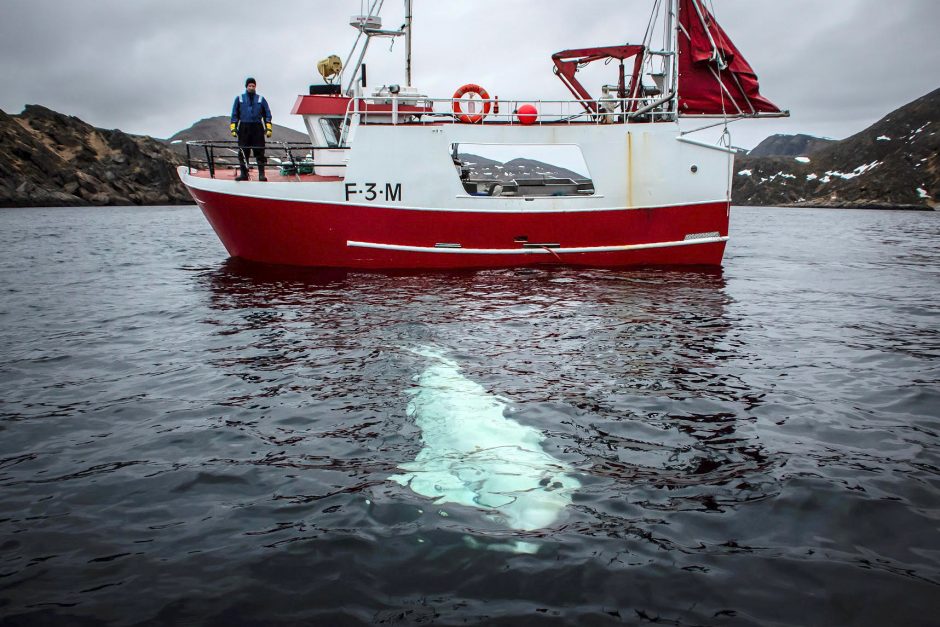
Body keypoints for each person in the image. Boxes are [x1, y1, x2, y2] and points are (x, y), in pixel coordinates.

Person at [230, 77, 273, 181]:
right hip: (244, 127)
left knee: (259, 151)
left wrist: (268, 128)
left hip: (257, 127)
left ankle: (261, 175)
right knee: (243, 152)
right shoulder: (239, 98)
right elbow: (234, 114)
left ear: (255, 87)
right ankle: (243, 174)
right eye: (250, 86)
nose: (251, 87)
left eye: (253, 86)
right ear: (246, 86)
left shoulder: (261, 99)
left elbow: (267, 113)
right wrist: (233, 128)